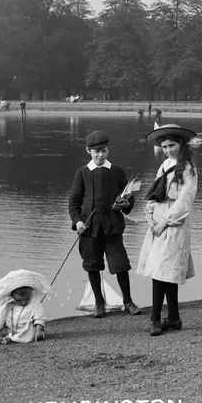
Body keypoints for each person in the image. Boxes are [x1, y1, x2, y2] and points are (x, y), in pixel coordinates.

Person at [67, 130, 140, 318]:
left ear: (108, 150)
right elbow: (74, 203)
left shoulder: (116, 172)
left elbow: (129, 198)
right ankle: (99, 303)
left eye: (104, 151)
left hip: (113, 228)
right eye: (96, 151)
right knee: (92, 265)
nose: (101, 155)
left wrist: (126, 204)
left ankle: (128, 302)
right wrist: (78, 221)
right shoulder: (82, 173)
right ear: (88, 151)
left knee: (121, 265)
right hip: (90, 230)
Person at [138, 124, 198, 336]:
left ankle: (155, 318)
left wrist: (165, 221)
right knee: (165, 270)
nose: (169, 150)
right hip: (159, 218)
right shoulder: (164, 166)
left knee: (161, 271)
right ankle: (173, 317)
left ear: (181, 144)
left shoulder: (188, 169)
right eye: (164, 146)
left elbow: (185, 201)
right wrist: (149, 215)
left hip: (174, 222)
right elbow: (157, 191)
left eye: (172, 145)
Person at [0, 270, 51, 344]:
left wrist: (39, 330)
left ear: (30, 293)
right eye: (19, 300)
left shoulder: (34, 302)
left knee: (29, 335)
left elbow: (39, 317)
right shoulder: (9, 303)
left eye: (26, 299)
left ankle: (8, 338)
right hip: (10, 329)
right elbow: (1, 315)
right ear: (12, 296)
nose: (24, 302)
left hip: (25, 330)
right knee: (1, 331)